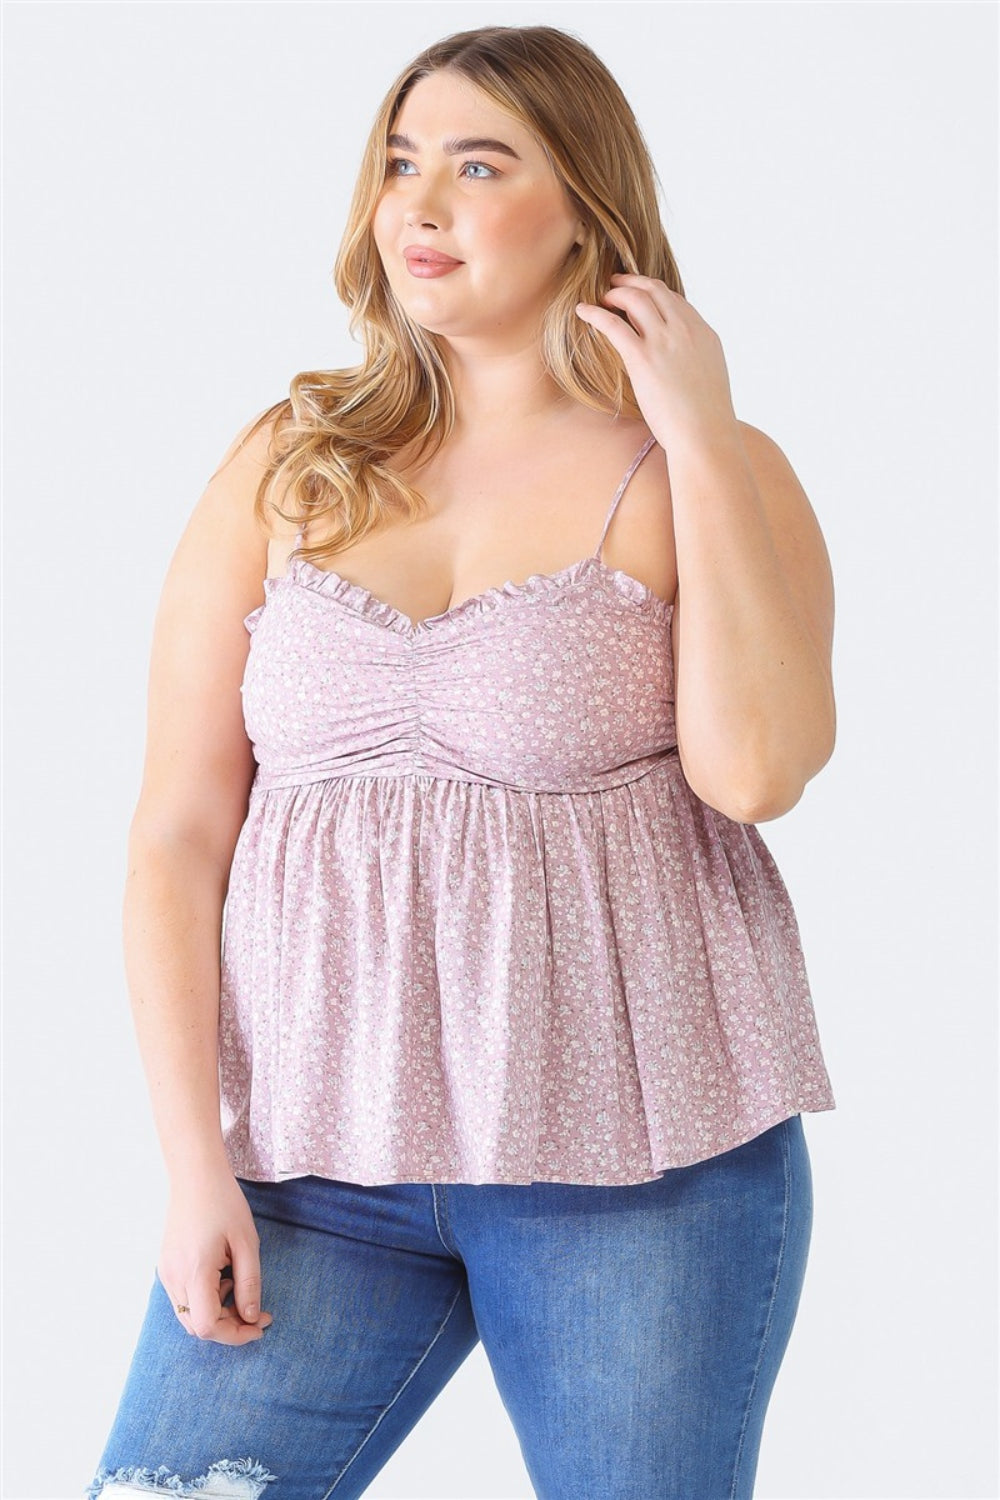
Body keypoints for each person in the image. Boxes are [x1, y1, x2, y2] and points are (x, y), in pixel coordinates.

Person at [86, 23, 838, 1500]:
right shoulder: (289, 459)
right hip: (315, 1165)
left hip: (639, 1181)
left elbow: (758, 774)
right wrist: (194, 1165)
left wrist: (694, 431)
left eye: (478, 165)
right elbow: (177, 831)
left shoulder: (707, 470)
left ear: (585, 212)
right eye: (400, 162)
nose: (419, 205)